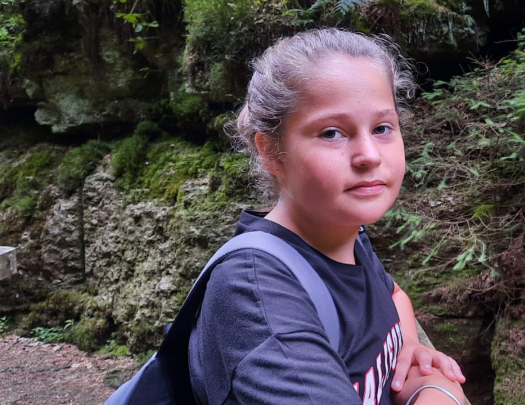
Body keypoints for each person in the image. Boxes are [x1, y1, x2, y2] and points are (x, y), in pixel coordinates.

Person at [188, 28, 467, 405]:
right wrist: (442, 390)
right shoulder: (258, 296)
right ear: (271, 152)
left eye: (382, 128)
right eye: (332, 133)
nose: (369, 155)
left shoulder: (345, 235)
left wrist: (412, 349)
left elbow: (393, 294)